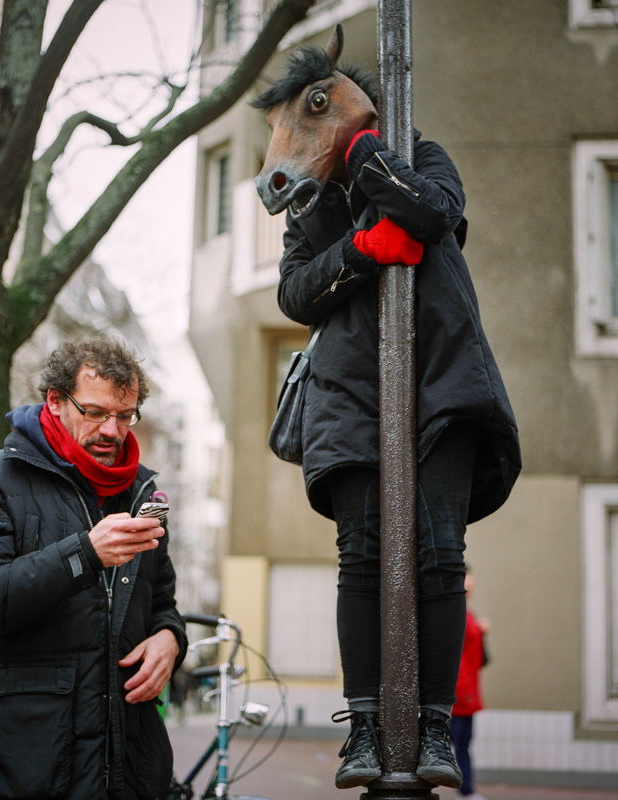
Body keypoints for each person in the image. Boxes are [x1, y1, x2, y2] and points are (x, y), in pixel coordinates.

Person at [252, 44, 521, 791]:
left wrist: (367, 151)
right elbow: (296, 293)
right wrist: (365, 249)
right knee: (361, 557)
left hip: (442, 383)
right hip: (350, 398)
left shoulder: (417, 154)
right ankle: (366, 728)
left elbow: (437, 211)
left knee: (439, 553)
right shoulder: (309, 206)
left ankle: (435, 727)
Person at [0, 337, 188, 800]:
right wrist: (85, 554)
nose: (112, 431)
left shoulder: (143, 496)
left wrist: (171, 639)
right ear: (54, 401)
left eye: (124, 415)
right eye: (94, 412)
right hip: (26, 766)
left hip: (132, 768)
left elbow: (163, 605)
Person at [451, 567, 491, 800]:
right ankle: (466, 790)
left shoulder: (467, 612)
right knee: (454, 743)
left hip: (469, 690)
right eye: (467, 575)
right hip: (460, 691)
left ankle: (467, 790)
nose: (472, 580)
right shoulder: (455, 611)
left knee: (463, 743)